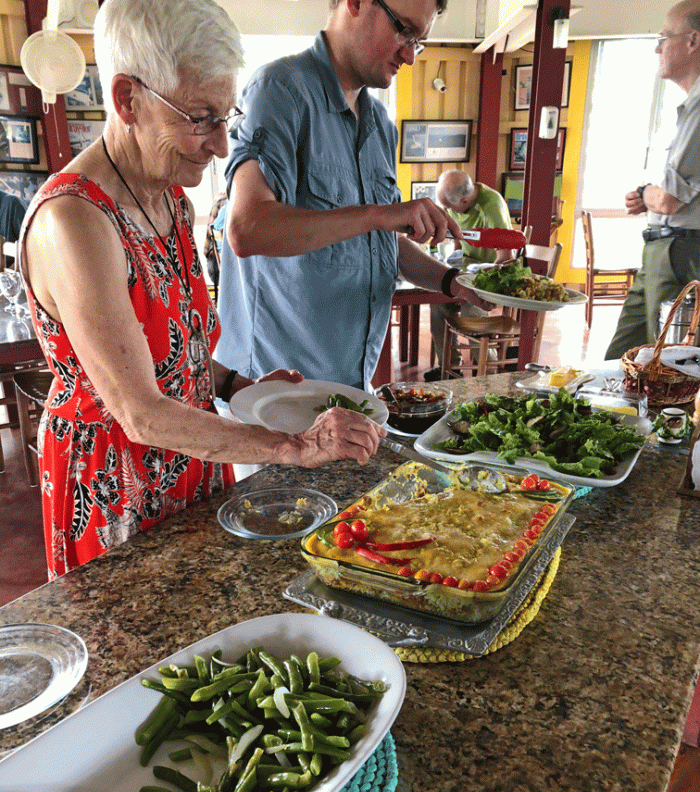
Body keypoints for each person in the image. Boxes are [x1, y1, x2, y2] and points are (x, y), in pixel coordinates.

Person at [19, 0, 385, 580]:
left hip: (192, 463)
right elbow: (140, 413)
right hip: (115, 490)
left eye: (225, 118)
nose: (220, 146)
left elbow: (177, 352)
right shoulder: (75, 222)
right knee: (141, 658)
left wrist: (238, 384)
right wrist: (293, 447)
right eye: (200, 118)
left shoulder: (170, 199)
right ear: (126, 99)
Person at [215, 0, 487, 390]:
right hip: (276, 394)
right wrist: (377, 214)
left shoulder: (380, 125)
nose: (410, 55)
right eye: (403, 30)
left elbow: (383, 243)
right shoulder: (279, 91)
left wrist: (452, 282)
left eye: (419, 41)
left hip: (351, 387)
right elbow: (247, 229)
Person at [605, 0, 700, 360]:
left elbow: (670, 200)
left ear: (693, 41)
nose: (657, 47)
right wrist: (647, 196)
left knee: (664, 366)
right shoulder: (687, 107)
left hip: (681, 250)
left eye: (664, 37)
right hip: (661, 246)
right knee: (621, 359)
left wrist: (647, 195)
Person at [425, 170, 515, 379]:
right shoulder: (458, 201)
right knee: (437, 303)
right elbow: (458, 238)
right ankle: (449, 369)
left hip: (491, 274)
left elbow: (505, 258)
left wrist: (477, 280)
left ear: (465, 200)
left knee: (471, 314)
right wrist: (454, 256)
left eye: (448, 208)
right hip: (467, 271)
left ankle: (490, 374)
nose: (446, 212)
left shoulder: (491, 206)